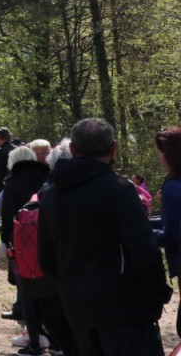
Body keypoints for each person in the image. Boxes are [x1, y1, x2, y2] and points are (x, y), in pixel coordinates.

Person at [39, 118, 171, 355]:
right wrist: (158, 295)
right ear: (113, 148)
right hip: (125, 309)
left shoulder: (49, 195)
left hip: (77, 307)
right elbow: (145, 251)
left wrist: (71, 287)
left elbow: (46, 257)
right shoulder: (119, 190)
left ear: (73, 149)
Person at [0, 145, 50, 356]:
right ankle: (50, 334)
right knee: (48, 289)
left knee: (27, 289)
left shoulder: (13, 182)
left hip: (23, 242)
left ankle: (34, 338)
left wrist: (5, 241)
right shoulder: (47, 177)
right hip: (47, 239)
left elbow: (7, 214)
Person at [154, 127, 181, 340]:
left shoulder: (173, 186)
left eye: (160, 154)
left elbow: (171, 236)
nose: (160, 159)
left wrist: (136, 233)